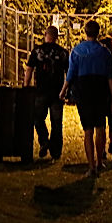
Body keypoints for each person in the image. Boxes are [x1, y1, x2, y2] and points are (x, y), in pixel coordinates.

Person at [60, 20, 112, 177]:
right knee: (100, 127)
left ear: (85, 32)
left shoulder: (77, 51)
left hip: (83, 91)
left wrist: (63, 91)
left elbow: (71, 74)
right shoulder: (105, 52)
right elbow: (111, 78)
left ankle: (91, 166)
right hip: (100, 90)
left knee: (88, 130)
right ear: (98, 33)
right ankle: (100, 161)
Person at [24, 25, 68, 160]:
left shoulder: (37, 51)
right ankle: (56, 151)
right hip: (57, 92)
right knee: (56, 122)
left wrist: (26, 86)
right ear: (56, 37)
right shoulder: (63, 53)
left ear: (45, 35)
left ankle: (44, 140)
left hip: (41, 91)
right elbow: (69, 72)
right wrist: (67, 90)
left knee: (37, 117)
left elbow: (29, 69)